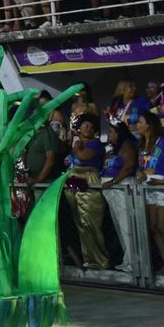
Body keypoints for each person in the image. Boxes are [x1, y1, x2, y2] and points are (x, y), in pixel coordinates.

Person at [136, 111, 164, 276]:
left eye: (140, 122)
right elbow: (141, 167)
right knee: (154, 227)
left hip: (162, 187)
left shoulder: (163, 141)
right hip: (148, 187)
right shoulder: (141, 144)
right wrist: (140, 174)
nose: (137, 125)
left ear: (149, 125)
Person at [65, 115, 109, 270]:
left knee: (91, 223)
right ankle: (89, 259)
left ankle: (100, 260)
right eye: (86, 126)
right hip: (73, 180)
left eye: (91, 127)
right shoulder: (76, 142)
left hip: (89, 180)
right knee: (80, 224)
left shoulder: (95, 144)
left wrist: (77, 147)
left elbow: (83, 156)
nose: (89, 129)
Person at [101, 121, 140, 273]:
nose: (109, 135)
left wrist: (113, 181)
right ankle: (127, 260)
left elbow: (129, 166)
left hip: (123, 188)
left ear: (119, 133)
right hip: (113, 190)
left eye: (111, 132)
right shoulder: (114, 148)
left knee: (127, 225)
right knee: (120, 226)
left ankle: (135, 262)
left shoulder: (127, 145)